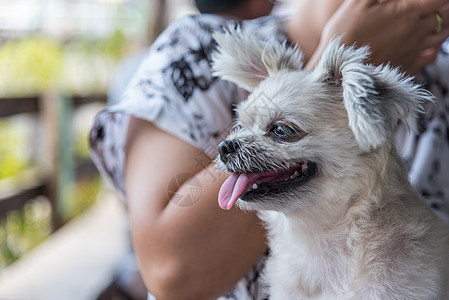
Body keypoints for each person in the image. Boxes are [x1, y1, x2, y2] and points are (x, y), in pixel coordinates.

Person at [89, 0, 449, 298]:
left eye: (282, 130)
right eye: (243, 125)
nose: (231, 145)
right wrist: (336, 54)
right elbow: (170, 272)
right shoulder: (194, 48)